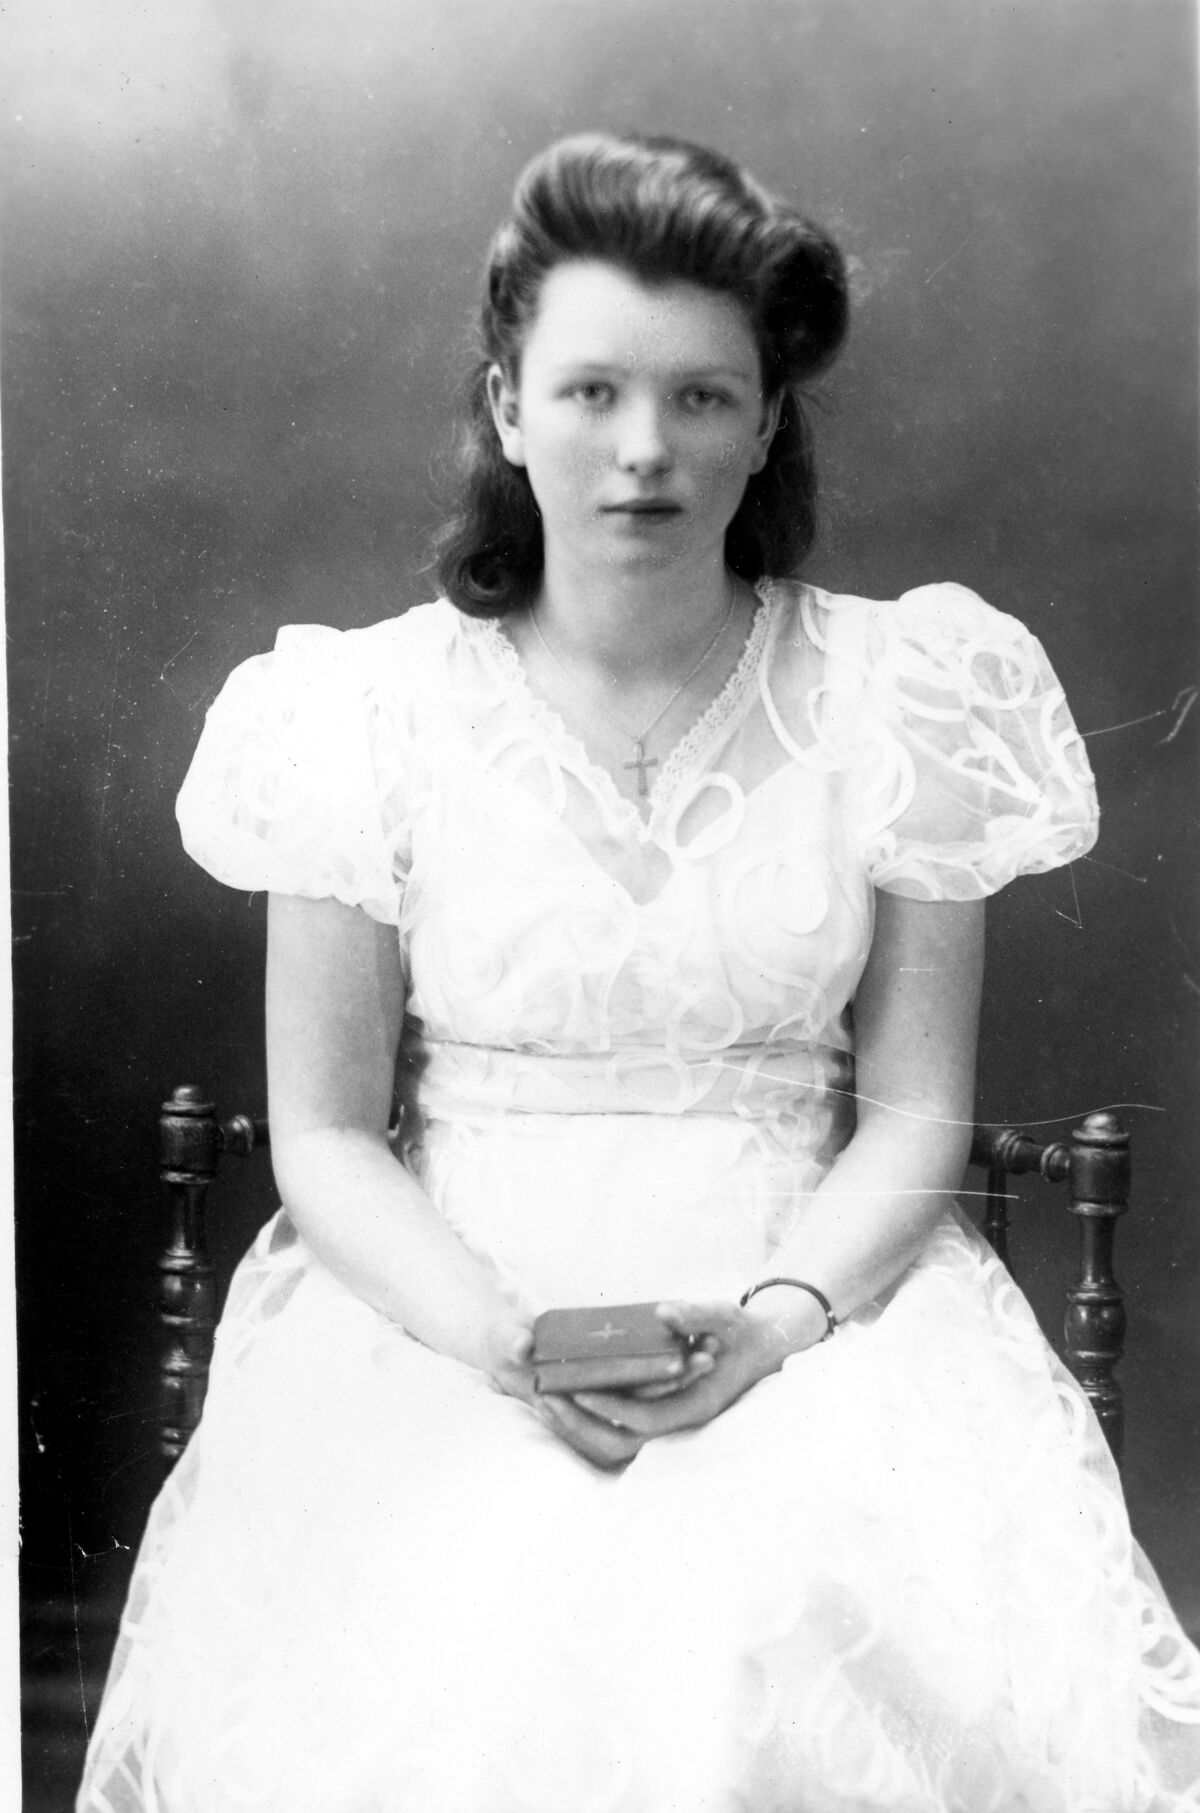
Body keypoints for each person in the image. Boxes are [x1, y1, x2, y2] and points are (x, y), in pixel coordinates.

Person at [79, 132, 1200, 1813]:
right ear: (507, 407)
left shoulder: (895, 691)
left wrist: (771, 1325)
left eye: (701, 396)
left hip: (815, 1307)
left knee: (764, 1609)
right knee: (475, 1630)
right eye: (592, 391)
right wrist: (504, 1339)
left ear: (767, 422)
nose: (644, 449)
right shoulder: (359, 716)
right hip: (448, 1312)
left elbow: (915, 1114)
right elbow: (324, 1135)